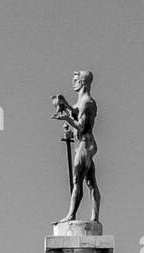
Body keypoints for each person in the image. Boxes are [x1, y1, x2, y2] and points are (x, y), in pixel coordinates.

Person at [52, 70, 102, 222]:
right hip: (81, 145)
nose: (73, 82)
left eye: (75, 80)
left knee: (77, 180)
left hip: (85, 145)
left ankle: (71, 215)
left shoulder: (88, 102)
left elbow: (82, 127)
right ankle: (94, 218)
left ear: (82, 82)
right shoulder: (80, 103)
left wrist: (67, 118)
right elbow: (75, 114)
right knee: (90, 182)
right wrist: (64, 104)